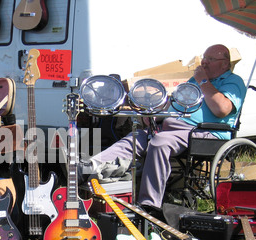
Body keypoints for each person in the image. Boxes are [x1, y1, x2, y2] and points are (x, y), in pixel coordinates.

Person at [82, 44, 247, 218]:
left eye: (210, 59)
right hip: (174, 127)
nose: (204, 63)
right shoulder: (194, 80)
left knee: (160, 142)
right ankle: (88, 167)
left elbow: (221, 109)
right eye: (203, 58)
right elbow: (175, 103)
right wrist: (156, 115)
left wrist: (204, 81)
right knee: (136, 136)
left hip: (205, 132)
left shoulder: (232, 82)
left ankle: (149, 205)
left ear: (225, 64)